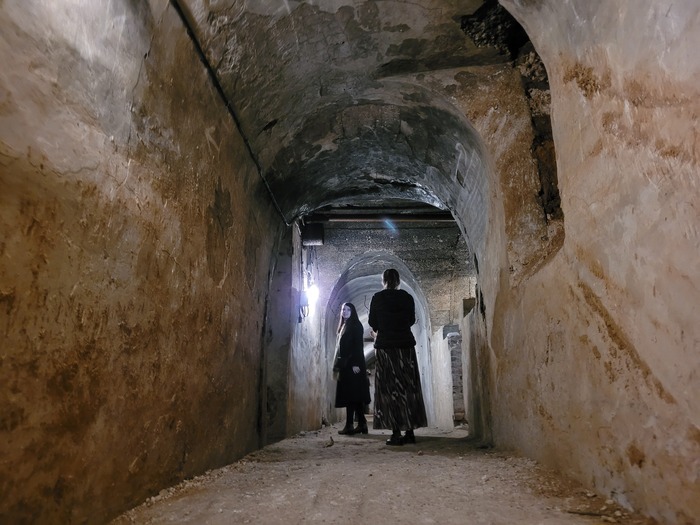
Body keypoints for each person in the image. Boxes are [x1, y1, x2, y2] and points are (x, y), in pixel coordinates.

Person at [368, 268, 427, 445]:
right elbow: (410, 320)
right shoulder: (407, 297)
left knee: (389, 389)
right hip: (405, 347)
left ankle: (395, 433)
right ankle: (410, 432)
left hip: (386, 347)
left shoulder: (377, 298)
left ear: (383, 280)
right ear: (399, 280)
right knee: (408, 388)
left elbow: (372, 323)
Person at [333, 302, 371, 435]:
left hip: (353, 365)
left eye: (348, 309)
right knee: (353, 396)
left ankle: (351, 425)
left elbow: (357, 346)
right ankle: (361, 424)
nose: (345, 311)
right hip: (346, 365)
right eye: (343, 309)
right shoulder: (345, 325)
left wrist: (355, 363)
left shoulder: (355, 325)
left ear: (353, 311)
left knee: (352, 396)